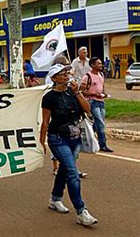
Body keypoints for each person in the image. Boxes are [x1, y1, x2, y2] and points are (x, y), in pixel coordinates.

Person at [40, 64, 98, 227]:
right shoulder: (49, 97)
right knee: (72, 172)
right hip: (57, 138)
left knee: (65, 170)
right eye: (61, 73)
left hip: (75, 139)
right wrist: (41, 142)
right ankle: (81, 211)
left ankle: (55, 199)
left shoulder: (73, 92)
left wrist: (77, 92)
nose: (66, 75)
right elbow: (45, 121)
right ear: (53, 78)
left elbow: (87, 111)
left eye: (67, 72)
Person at [80, 57, 114, 153]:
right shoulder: (87, 77)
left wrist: (103, 94)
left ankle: (87, 137)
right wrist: (93, 94)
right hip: (92, 101)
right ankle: (103, 144)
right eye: (98, 64)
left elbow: (102, 87)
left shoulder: (101, 75)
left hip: (101, 101)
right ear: (92, 65)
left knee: (98, 123)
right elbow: (82, 90)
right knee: (100, 123)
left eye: (100, 63)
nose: (100, 65)